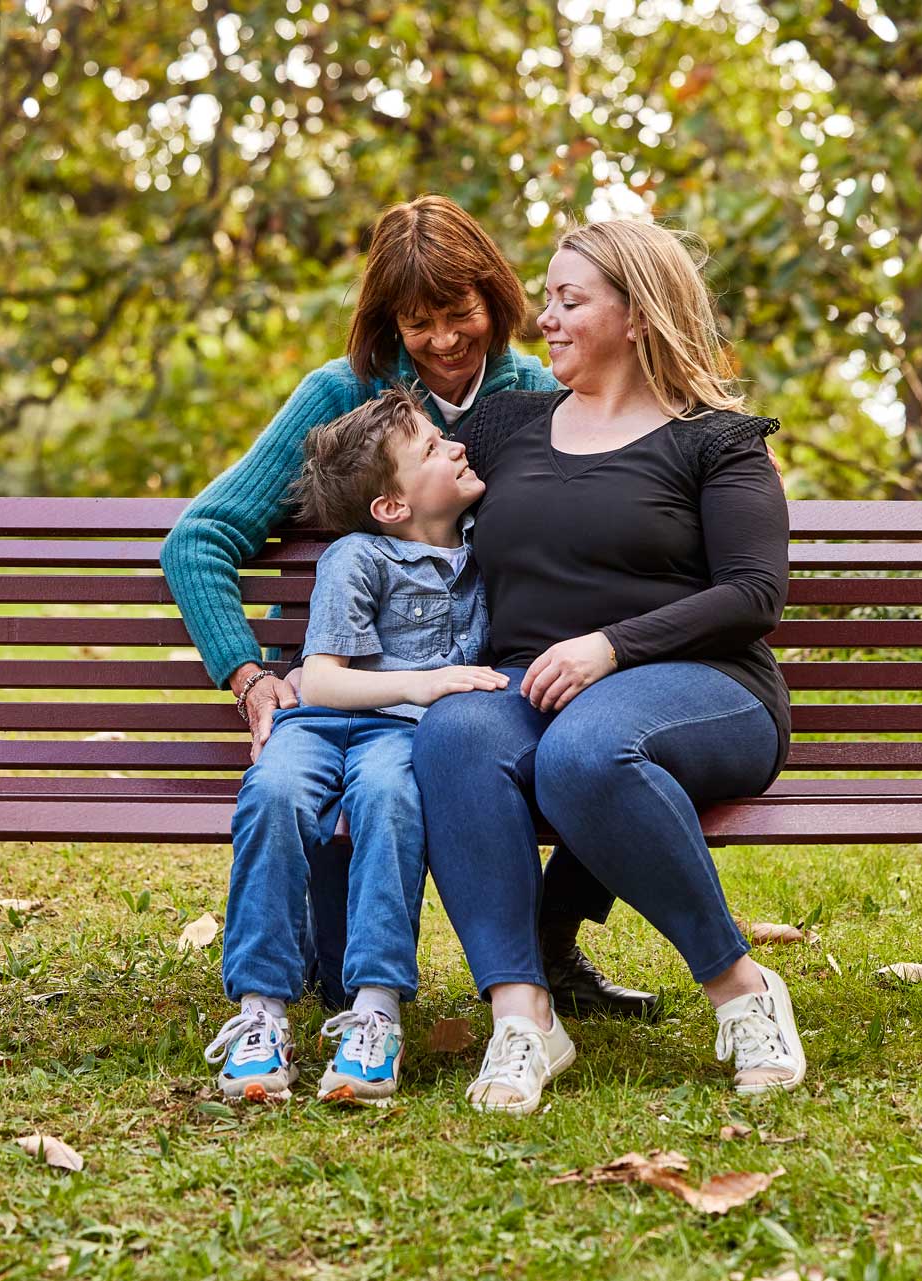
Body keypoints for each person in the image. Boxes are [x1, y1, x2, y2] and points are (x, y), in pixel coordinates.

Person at [161, 195, 657, 1018]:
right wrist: (250, 676)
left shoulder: (540, 391)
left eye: (459, 312)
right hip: (365, 701)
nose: (443, 340)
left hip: (506, 673)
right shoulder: (343, 399)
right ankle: (319, 978)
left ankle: (551, 938)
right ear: (387, 321)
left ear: (495, 300)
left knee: (604, 728)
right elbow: (200, 537)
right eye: (417, 322)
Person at [417, 219, 805, 1115]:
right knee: (455, 731)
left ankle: (742, 989)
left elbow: (754, 594)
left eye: (569, 299)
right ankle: (524, 1015)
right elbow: (388, 456)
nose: (543, 318)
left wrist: (611, 647)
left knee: (585, 751)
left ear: (635, 314)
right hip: (529, 685)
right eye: (545, 298)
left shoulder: (716, 440)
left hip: (704, 689)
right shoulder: (507, 426)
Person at [200, 390, 507, 1102]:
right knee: (272, 796)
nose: (457, 447)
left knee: (394, 801)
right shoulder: (358, 556)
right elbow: (326, 684)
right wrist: (428, 683)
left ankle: (375, 1012)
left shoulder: (484, 555)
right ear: (392, 507)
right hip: (319, 725)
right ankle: (260, 1014)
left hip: (396, 740)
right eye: (433, 448)